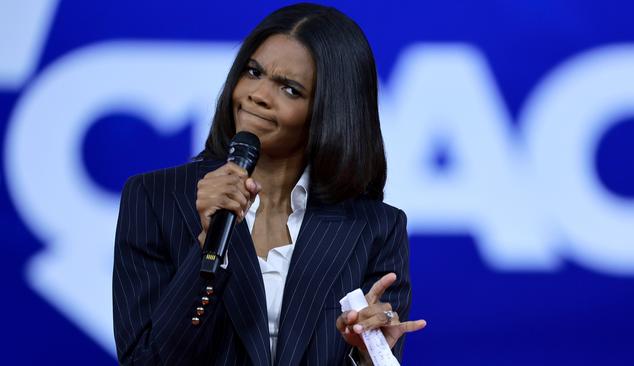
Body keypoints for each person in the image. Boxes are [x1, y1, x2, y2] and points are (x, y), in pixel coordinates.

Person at [112, 3, 426, 365]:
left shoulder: (376, 228)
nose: (257, 94)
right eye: (253, 71)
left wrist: (368, 357)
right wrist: (207, 251)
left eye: (290, 89)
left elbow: (373, 353)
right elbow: (143, 361)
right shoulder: (155, 199)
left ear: (331, 111)